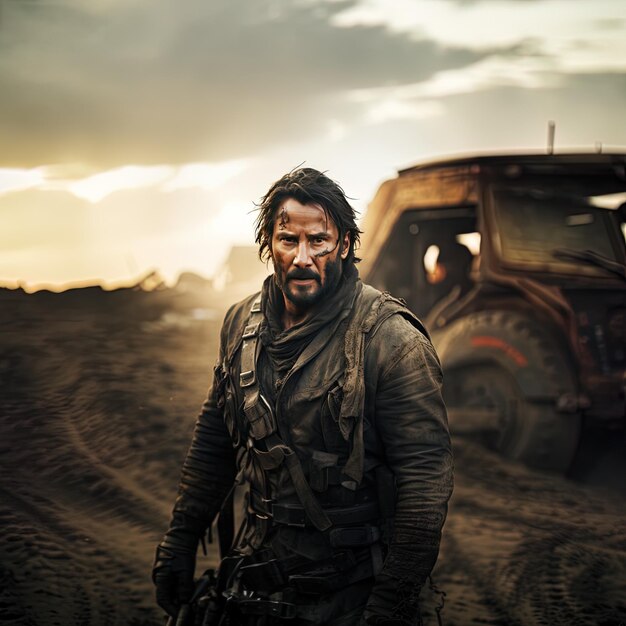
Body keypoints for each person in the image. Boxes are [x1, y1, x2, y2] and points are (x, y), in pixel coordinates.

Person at [153, 168, 454, 625]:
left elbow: (425, 483)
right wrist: (179, 540)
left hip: (349, 593)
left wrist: (389, 607)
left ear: (346, 245)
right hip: (252, 579)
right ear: (268, 244)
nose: (302, 258)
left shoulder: (391, 342)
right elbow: (215, 440)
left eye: (319, 241)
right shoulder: (240, 325)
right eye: (288, 240)